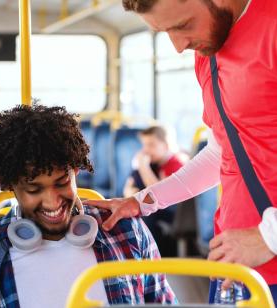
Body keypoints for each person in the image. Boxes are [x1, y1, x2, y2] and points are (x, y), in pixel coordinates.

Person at [86, 0, 277, 303]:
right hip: (235, 263)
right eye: (165, 32)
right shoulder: (208, 51)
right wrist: (143, 201)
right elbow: (222, 151)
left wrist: (269, 237)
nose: (179, 45)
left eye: (183, 25)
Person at [0, 104, 176, 308]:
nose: (53, 201)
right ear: (10, 185)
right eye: (34, 189)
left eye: (62, 183)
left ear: (76, 172)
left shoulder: (126, 231)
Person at [123, 125, 187, 256]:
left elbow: (159, 195)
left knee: (145, 212)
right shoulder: (157, 163)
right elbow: (128, 186)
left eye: (151, 145)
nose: (146, 150)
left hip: (177, 212)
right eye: (144, 145)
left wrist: (143, 165)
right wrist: (129, 192)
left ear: (166, 145)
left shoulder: (175, 163)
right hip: (162, 208)